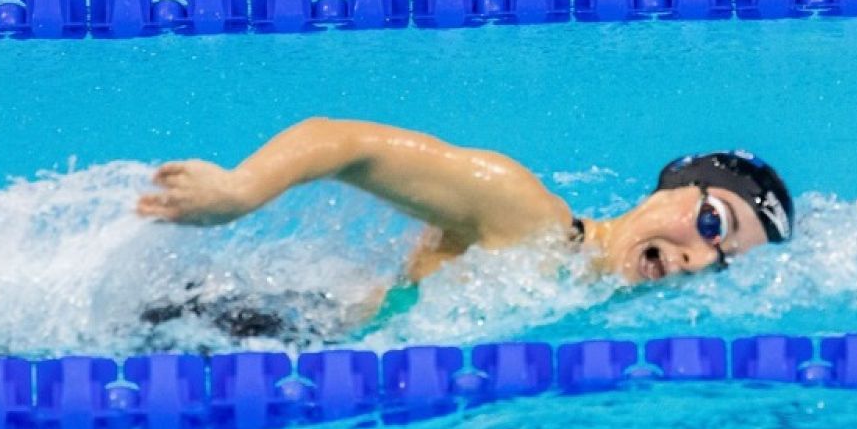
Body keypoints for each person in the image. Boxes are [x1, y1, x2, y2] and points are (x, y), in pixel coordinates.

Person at [138, 117, 793, 286]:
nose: (701, 259)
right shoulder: (526, 217)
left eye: (725, 259)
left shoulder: (585, 293)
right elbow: (345, 143)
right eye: (713, 223)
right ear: (673, 186)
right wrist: (238, 190)